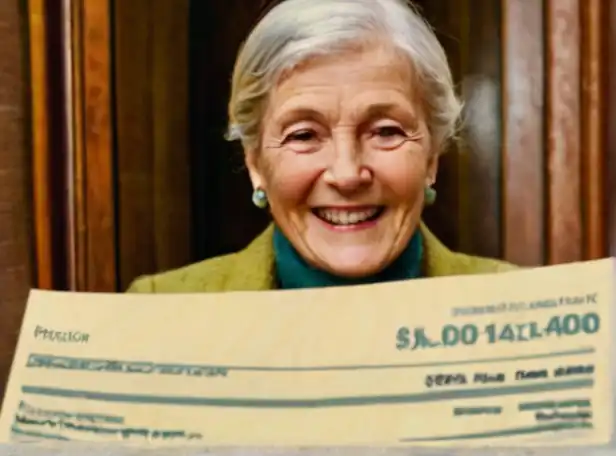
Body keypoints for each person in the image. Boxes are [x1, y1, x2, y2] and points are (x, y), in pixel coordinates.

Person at [128, 0, 516, 293]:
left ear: (431, 156)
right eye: (304, 135)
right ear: (255, 163)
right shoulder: (159, 310)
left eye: (385, 131)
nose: (347, 174)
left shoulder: (520, 307)